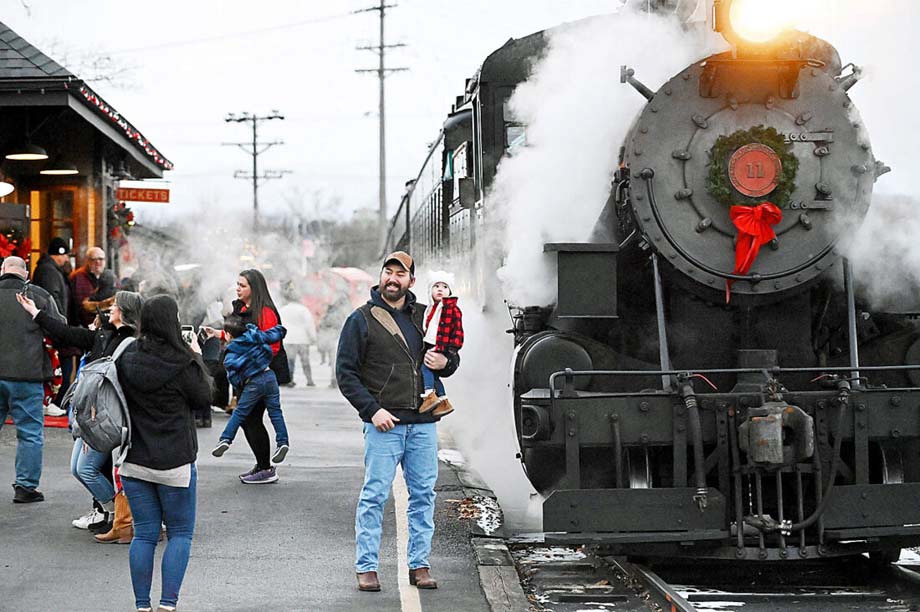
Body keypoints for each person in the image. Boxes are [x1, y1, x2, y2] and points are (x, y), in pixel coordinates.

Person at [336, 251, 460, 592]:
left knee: (423, 496)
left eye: (400, 274)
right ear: (380, 277)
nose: (393, 278)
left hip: (423, 423)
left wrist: (445, 363)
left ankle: (419, 565)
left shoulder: (428, 316)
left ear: (411, 281)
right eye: (388, 272)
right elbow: (345, 374)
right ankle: (366, 567)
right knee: (374, 496)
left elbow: (451, 354)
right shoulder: (360, 320)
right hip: (383, 424)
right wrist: (372, 410)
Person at [17, 289, 143, 540]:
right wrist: (36, 312)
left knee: (85, 469)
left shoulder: (131, 344)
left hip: (104, 418)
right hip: (91, 414)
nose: (111, 309)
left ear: (125, 313)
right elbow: (66, 334)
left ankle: (119, 516)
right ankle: (113, 514)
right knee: (79, 468)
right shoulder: (105, 335)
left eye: (116, 306)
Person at [116, 295, 211, 612]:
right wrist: (197, 356)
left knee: (143, 535)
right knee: (180, 533)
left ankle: (141, 605)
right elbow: (203, 400)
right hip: (175, 463)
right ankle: (167, 605)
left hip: (133, 460)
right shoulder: (183, 363)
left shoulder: (127, 356)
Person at [0, 256, 65, 503]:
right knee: (29, 433)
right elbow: (59, 328)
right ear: (25, 275)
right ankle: (26, 487)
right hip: (27, 375)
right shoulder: (39, 295)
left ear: (2, 270)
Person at [226, 269, 289, 484]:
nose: (238, 288)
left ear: (255, 288)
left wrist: (247, 358)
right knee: (249, 420)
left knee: (251, 419)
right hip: (245, 374)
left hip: (259, 376)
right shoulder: (244, 309)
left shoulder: (265, 312)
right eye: (237, 284)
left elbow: (273, 346)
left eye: (242, 285)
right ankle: (263, 465)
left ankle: (265, 467)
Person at [207, 316, 289, 464]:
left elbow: (232, 376)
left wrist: (239, 384)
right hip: (269, 376)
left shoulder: (231, 353)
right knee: (276, 412)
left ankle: (225, 439)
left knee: (239, 413)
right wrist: (280, 330)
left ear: (229, 335)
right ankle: (283, 442)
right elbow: (276, 333)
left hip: (253, 383)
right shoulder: (256, 336)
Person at [31, 237, 73, 416]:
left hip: (52, 325)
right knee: (58, 366)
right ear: (59, 254)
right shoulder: (50, 272)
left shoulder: (49, 269)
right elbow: (53, 299)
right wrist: (60, 322)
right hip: (53, 328)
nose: (67, 260)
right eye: (65, 255)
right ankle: (51, 402)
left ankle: (51, 401)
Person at [418, 271, 464, 418]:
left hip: (439, 346)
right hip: (432, 344)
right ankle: (443, 401)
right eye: (436, 286)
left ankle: (429, 395)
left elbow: (457, 331)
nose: (439, 289)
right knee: (432, 375)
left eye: (444, 287)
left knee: (426, 369)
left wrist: (450, 352)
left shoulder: (451, 309)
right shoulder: (429, 309)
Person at [279, 290, 317, 387]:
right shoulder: (303, 310)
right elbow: (309, 324)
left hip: (288, 338)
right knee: (305, 361)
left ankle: (289, 379)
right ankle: (309, 380)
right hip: (302, 339)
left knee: (290, 361)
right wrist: (313, 337)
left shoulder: (283, 309)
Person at [70, 246, 108, 328]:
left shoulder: (110, 278)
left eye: (101, 259)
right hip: (83, 327)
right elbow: (74, 305)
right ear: (87, 261)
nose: (98, 262)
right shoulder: (77, 277)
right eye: (94, 259)